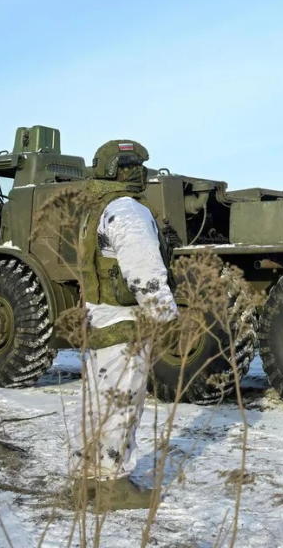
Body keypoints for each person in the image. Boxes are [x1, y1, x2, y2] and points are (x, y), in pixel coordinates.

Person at [70, 140, 179, 511]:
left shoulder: (96, 206)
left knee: (98, 401)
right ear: (126, 171)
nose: (141, 173)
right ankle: (112, 485)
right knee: (122, 403)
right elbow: (144, 272)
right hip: (125, 321)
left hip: (99, 317)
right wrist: (166, 318)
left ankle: (85, 479)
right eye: (136, 166)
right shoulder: (127, 209)